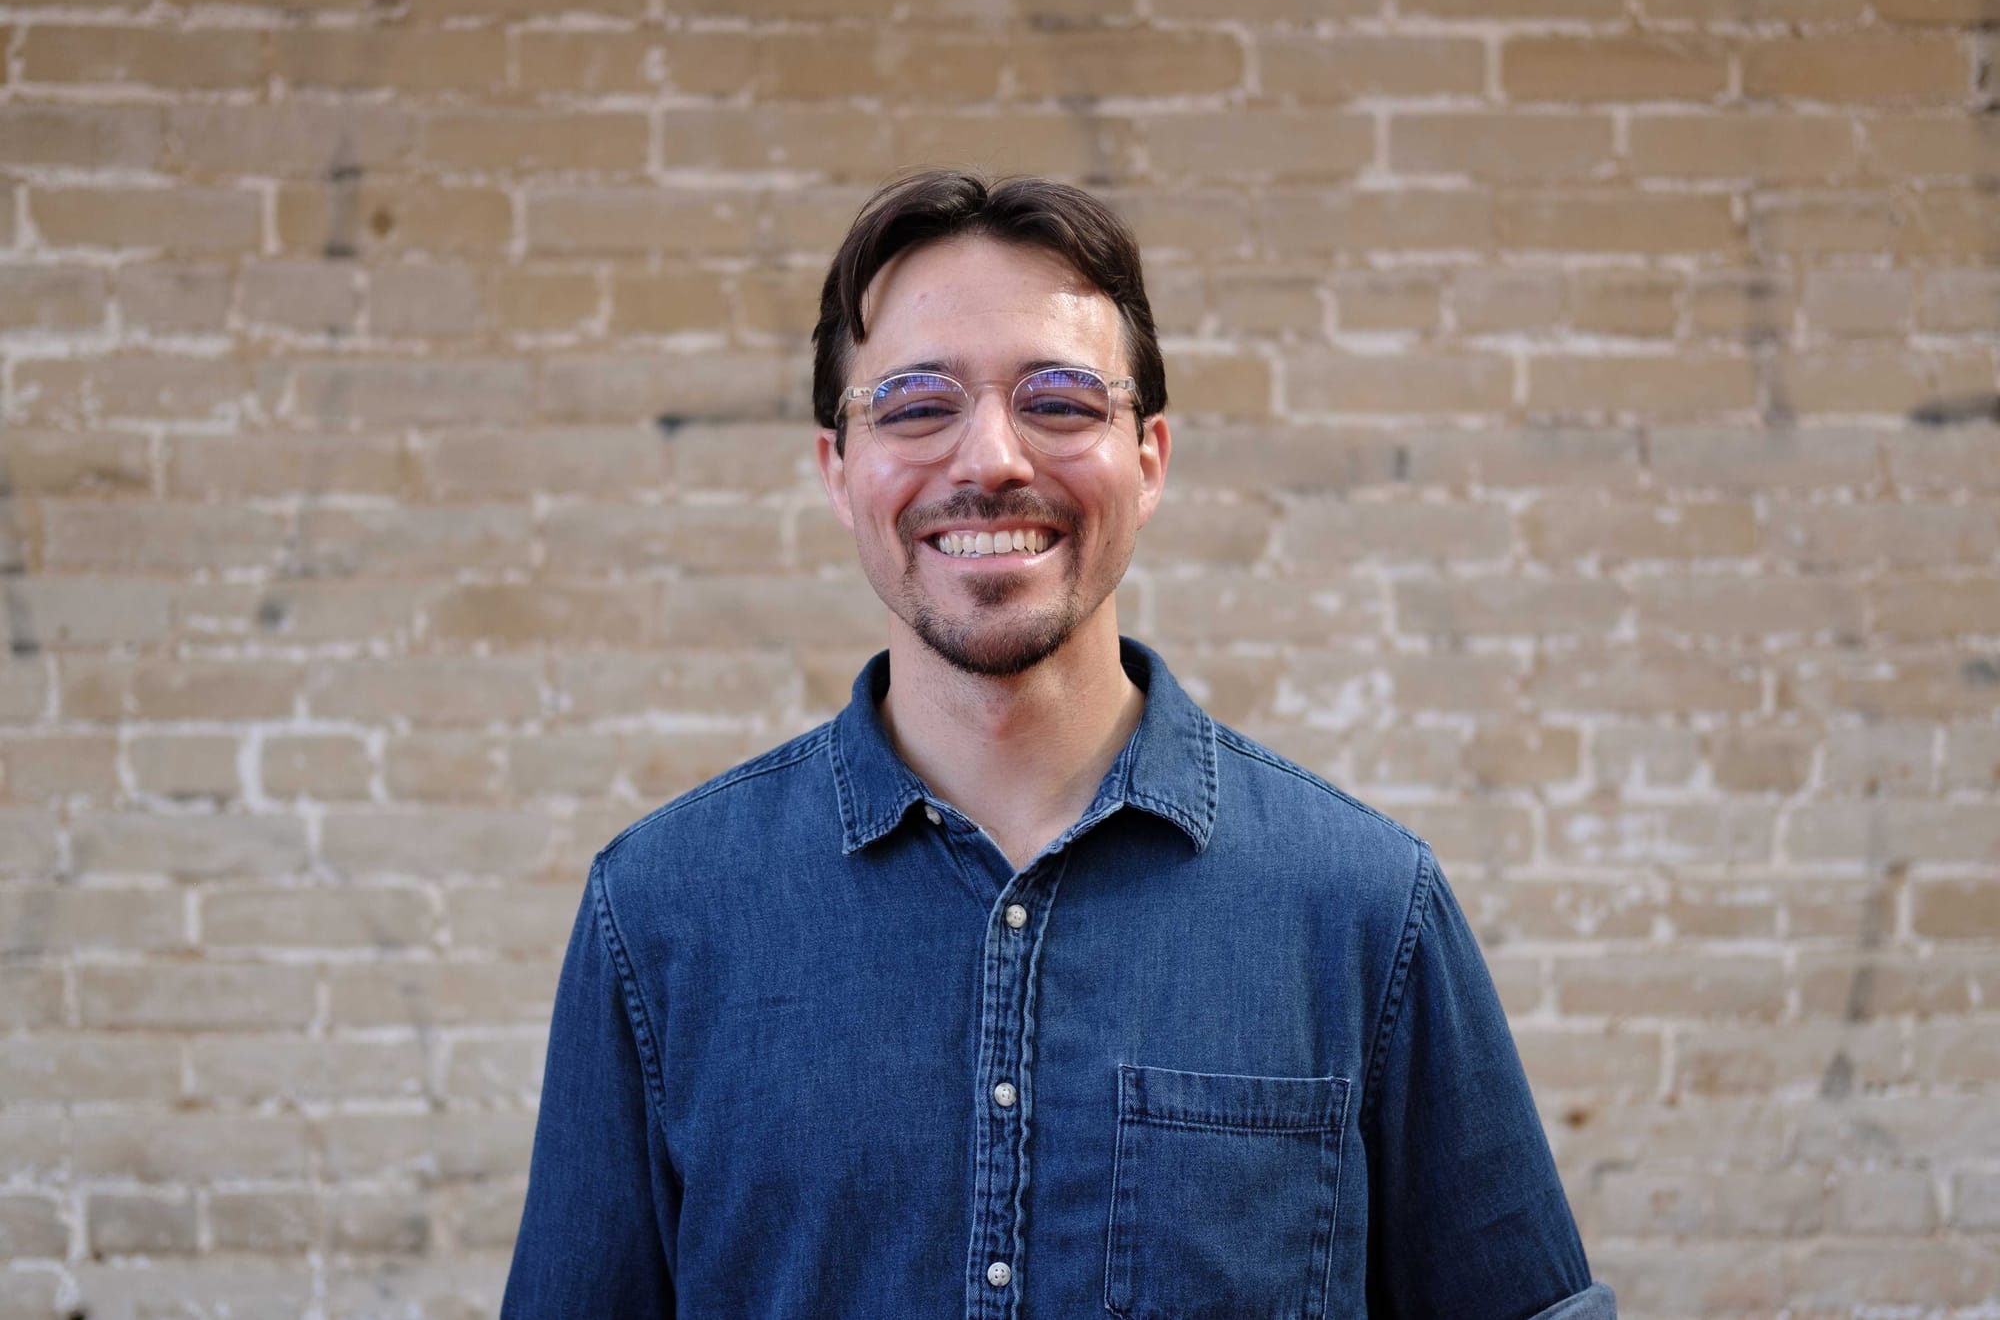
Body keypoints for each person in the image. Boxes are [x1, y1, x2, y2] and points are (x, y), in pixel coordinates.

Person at [501, 170, 1616, 1319]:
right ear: (838, 470)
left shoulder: (1363, 911)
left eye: (1061, 401)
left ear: (1149, 458)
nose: (989, 459)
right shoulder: (661, 915)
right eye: (917, 405)